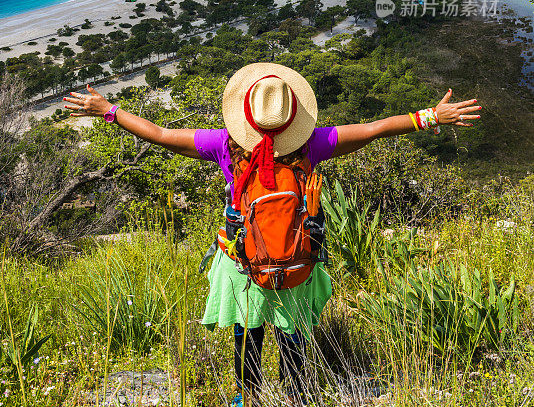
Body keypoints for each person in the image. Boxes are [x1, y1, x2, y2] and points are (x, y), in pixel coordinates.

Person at [63, 62, 481, 405]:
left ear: (245, 115)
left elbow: (160, 135)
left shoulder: (224, 146)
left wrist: (107, 110)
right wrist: (429, 117)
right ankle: (298, 395)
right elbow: (375, 129)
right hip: (297, 260)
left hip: (242, 263)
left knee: (248, 333)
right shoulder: (312, 146)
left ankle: (246, 397)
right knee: (293, 334)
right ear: (294, 116)